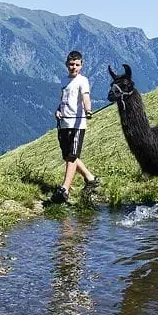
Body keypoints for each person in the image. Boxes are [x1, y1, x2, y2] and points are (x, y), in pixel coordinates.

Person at [53, 50, 101, 203]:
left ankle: (65, 189)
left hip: (77, 124)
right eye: (71, 64)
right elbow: (63, 100)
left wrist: (88, 110)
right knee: (68, 155)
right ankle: (90, 178)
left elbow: (86, 97)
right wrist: (58, 110)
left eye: (77, 65)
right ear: (67, 64)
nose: (73, 67)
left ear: (81, 66)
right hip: (64, 123)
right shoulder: (63, 80)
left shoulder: (83, 81)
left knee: (72, 156)